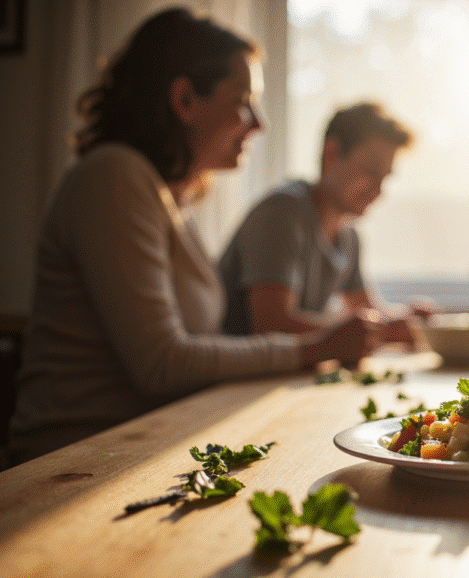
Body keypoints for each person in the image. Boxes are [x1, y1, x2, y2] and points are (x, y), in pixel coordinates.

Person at [7, 8, 377, 464]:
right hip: (72, 462)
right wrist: (313, 347)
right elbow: (161, 364)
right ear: (184, 100)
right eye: (243, 101)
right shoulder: (113, 175)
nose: (258, 123)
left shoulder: (168, 198)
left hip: (147, 443)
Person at [218, 102, 420, 345]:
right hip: (235, 367)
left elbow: (368, 313)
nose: (378, 190)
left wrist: (410, 321)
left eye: (385, 177)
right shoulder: (282, 213)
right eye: (371, 172)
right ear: (331, 153)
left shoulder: (348, 238)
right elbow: (271, 324)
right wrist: (383, 333)